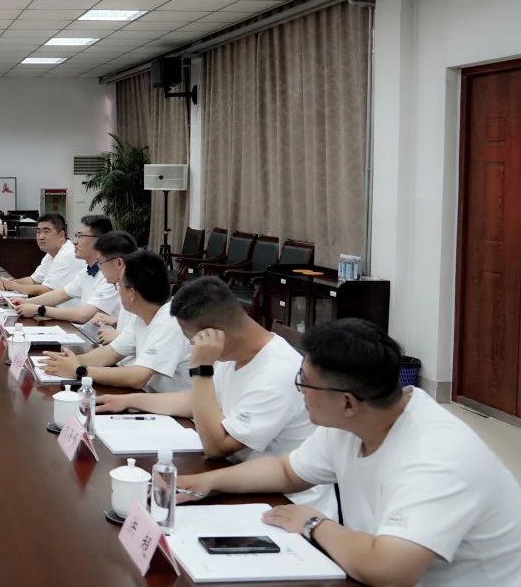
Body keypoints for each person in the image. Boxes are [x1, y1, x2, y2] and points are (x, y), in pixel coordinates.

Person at [176, 319, 521, 587]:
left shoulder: (437, 457)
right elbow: (288, 471)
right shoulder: (354, 420)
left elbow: (390, 571)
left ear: (347, 402)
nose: (300, 391)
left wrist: (314, 524)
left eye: (304, 382)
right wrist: (206, 482)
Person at [96, 277, 328, 509]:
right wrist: (131, 400)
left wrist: (202, 368)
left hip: (283, 501)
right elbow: (197, 402)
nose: (192, 347)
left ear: (213, 335)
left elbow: (217, 447)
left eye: (192, 341)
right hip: (233, 476)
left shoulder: (277, 372)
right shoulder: (233, 353)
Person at [40, 249, 191, 392]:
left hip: (174, 407)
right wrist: (69, 361)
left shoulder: (168, 322)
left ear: (132, 293)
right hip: (150, 396)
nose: (118, 291)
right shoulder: (143, 315)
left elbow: (138, 378)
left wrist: (79, 370)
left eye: (119, 285)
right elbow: (110, 353)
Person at [12, 218, 123, 341]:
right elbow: (62, 294)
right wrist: (26, 302)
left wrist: (39, 309)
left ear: (99, 241)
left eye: (80, 236)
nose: (75, 242)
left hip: (99, 343)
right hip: (84, 336)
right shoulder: (86, 272)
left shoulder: (109, 277)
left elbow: (82, 316)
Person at [0, 213, 85, 298]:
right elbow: (33, 280)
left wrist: (13, 286)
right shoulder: (51, 253)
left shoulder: (68, 254)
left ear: (61, 235)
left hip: (70, 308)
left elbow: (46, 290)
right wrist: (10, 282)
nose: (41, 237)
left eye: (46, 232)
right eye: (38, 232)